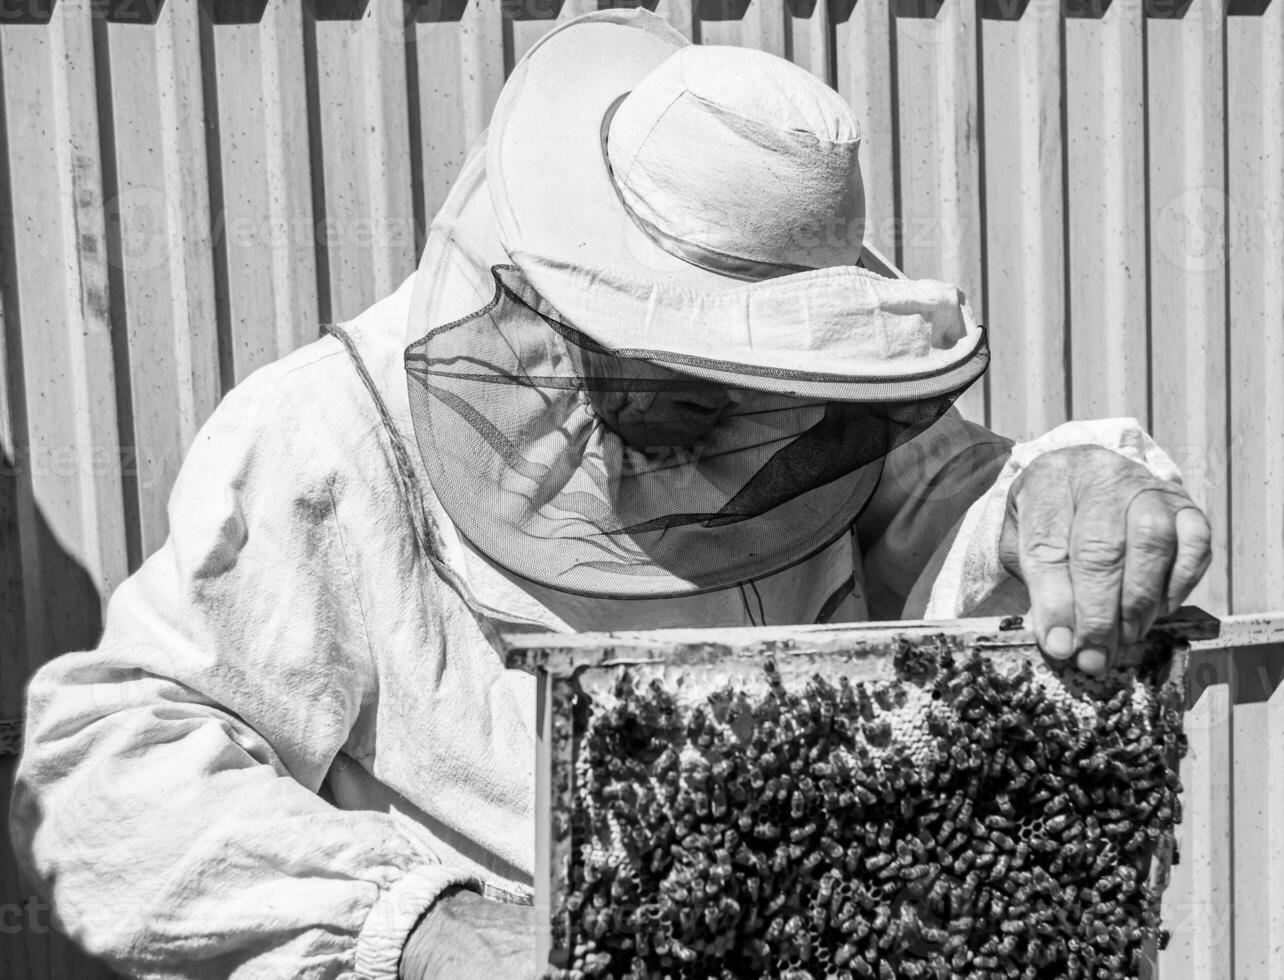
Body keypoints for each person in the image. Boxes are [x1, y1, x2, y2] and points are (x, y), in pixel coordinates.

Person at [10, 10, 1210, 979]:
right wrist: (422, 925)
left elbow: (951, 518)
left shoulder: (817, 418)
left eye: (773, 400)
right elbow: (102, 765)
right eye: (688, 393)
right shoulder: (329, 433)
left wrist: (1058, 496)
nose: (741, 444)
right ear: (554, 314)